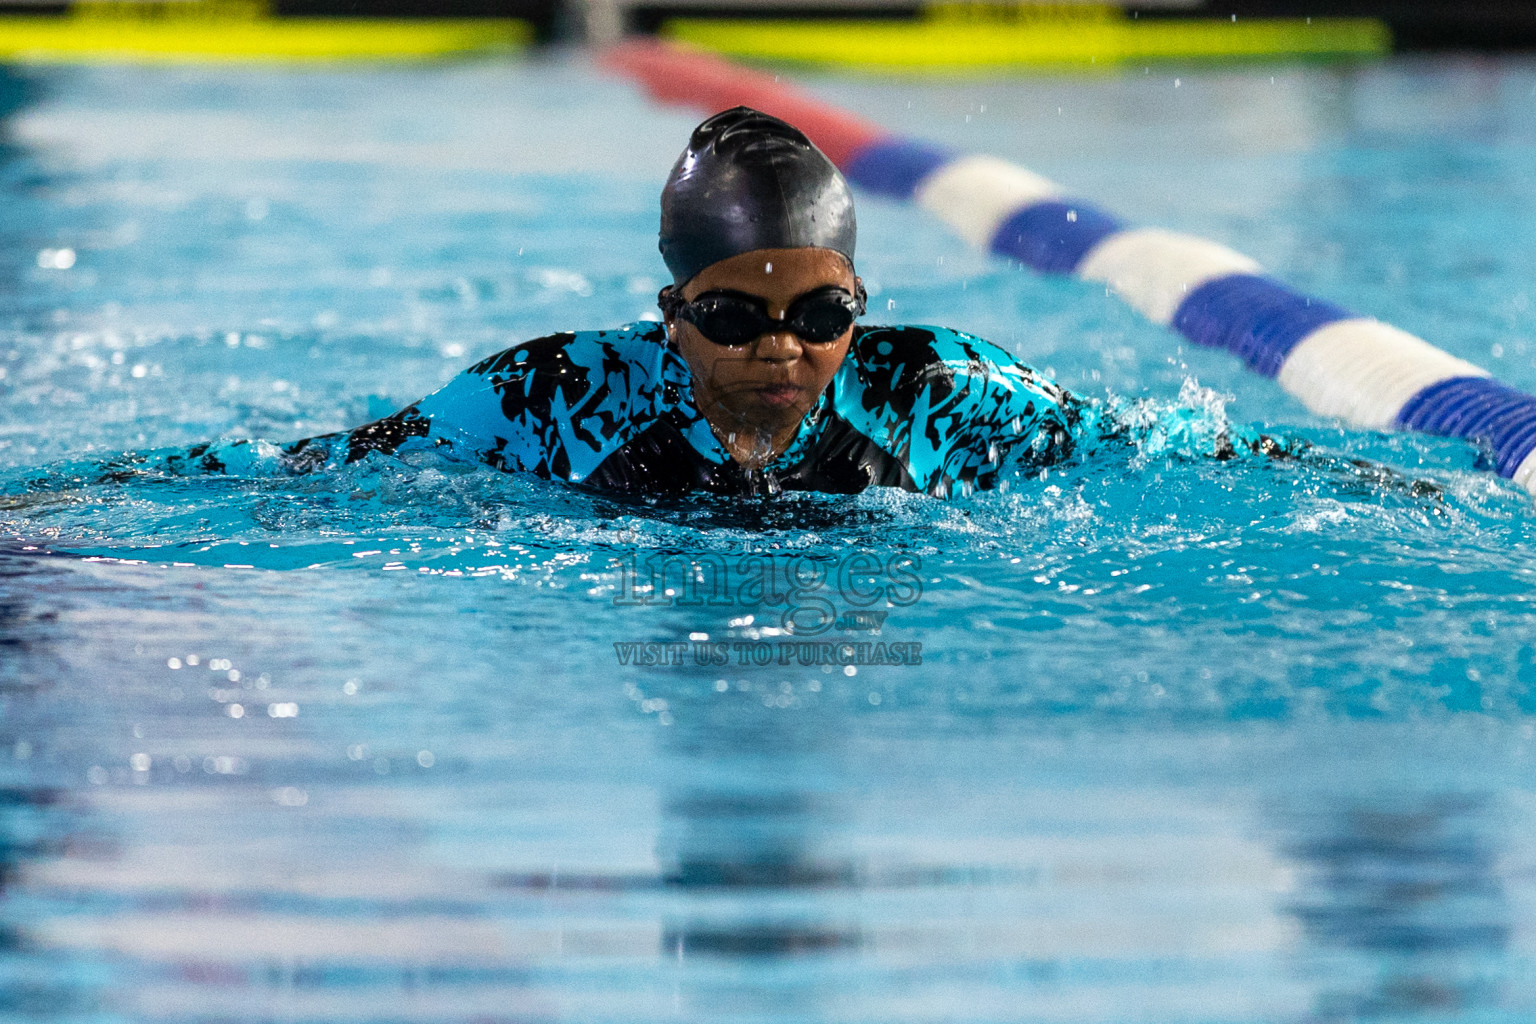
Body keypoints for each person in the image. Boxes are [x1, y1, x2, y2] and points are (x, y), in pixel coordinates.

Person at [168, 107, 1082, 498]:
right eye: (731, 318)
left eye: (820, 318)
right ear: (672, 312)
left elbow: (1167, 451)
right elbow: (314, 471)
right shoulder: (558, 394)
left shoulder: (937, 392)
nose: (781, 351)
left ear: (860, 303)